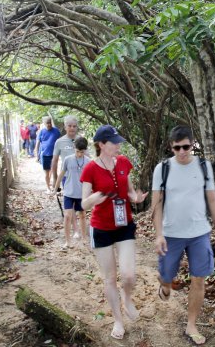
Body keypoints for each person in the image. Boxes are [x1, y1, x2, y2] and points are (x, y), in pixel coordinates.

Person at [151, 125, 215, 346]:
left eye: (186, 146)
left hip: (199, 233)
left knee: (199, 280)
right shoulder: (162, 168)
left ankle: (191, 324)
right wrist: (158, 235)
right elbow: (157, 204)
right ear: (171, 147)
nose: (182, 152)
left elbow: (212, 199)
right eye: (177, 148)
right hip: (171, 234)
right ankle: (165, 286)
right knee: (166, 276)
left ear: (192, 144)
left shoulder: (203, 166)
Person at [81, 124, 148, 340]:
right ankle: (118, 320)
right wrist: (96, 196)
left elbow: (128, 190)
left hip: (124, 225)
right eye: (113, 141)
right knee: (109, 278)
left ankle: (127, 298)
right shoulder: (90, 168)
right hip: (101, 228)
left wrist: (135, 197)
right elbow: (83, 204)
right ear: (101, 145)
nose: (118, 144)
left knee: (128, 274)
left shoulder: (123, 162)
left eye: (118, 141)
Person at [54, 136, 90, 248]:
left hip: (81, 193)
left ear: (85, 150)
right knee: (67, 216)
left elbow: (91, 178)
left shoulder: (88, 161)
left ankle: (84, 238)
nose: (79, 154)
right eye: (78, 151)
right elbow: (61, 174)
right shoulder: (68, 159)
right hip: (69, 192)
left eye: (82, 152)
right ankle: (67, 241)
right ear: (74, 148)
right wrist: (56, 188)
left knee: (82, 215)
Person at [52, 115, 82, 238]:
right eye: (69, 126)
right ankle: (76, 230)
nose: (72, 128)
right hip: (67, 177)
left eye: (74, 126)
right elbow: (54, 161)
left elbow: (88, 158)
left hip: (81, 177)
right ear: (65, 127)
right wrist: (55, 180)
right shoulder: (59, 142)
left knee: (80, 203)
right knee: (72, 204)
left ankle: (81, 225)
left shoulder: (80, 140)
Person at [34, 116, 61, 193]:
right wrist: (37, 155)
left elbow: (60, 141)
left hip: (54, 154)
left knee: (54, 171)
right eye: (47, 123)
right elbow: (38, 143)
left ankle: (55, 187)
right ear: (44, 123)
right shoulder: (41, 132)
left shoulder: (56, 131)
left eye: (50, 122)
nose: (49, 124)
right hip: (45, 154)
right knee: (47, 172)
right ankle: (48, 187)